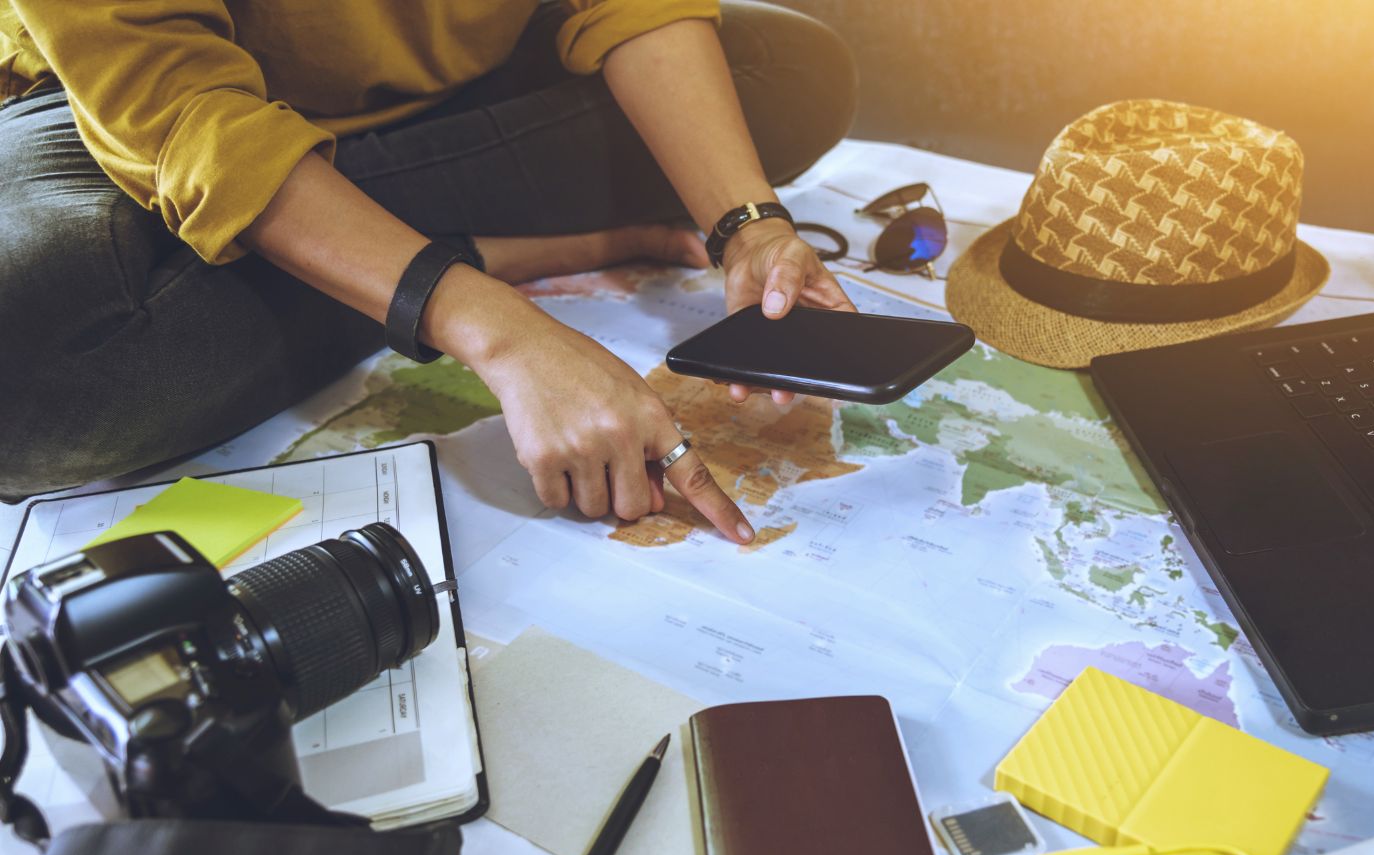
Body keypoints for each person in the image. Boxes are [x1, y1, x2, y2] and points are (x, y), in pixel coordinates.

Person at [0, 0, 859, 545]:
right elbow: (188, 115)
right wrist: (503, 329)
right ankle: (495, 249)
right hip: (124, 116)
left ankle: (360, 241)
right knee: (23, 389)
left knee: (792, 73)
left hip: (453, 94)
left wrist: (749, 226)